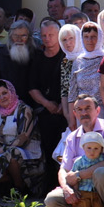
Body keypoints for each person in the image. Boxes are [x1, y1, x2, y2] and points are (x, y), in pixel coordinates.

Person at [0, 79, 43, 195]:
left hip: (27, 154)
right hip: (3, 155)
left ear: (11, 92)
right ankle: (11, 185)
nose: (2, 97)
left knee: (13, 153)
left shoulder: (24, 109)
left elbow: (23, 138)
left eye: (4, 93)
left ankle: (19, 188)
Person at [28, 20, 67, 191]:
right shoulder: (36, 58)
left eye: (51, 35)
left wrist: (62, 105)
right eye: (43, 35)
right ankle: (50, 187)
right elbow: (31, 87)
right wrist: (47, 103)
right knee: (48, 150)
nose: (47, 38)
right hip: (45, 112)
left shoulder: (67, 56)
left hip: (66, 113)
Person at [69, 132, 104, 207]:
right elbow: (73, 176)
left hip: (97, 192)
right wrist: (75, 190)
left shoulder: (102, 160)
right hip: (83, 191)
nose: (92, 151)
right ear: (83, 148)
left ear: (101, 149)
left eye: (96, 148)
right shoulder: (79, 162)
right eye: (89, 148)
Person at [69, 23, 104, 110]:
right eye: (86, 36)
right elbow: (72, 93)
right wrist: (71, 119)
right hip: (82, 111)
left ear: (99, 37)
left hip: (102, 109)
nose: (90, 40)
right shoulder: (78, 61)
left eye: (93, 36)